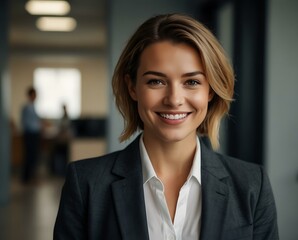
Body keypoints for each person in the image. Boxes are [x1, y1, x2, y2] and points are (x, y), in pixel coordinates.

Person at [54, 13, 278, 239]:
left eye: (192, 82)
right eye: (156, 81)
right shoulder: (86, 184)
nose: (174, 99)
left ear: (210, 90)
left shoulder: (251, 185)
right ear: (132, 87)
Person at [21, 86, 42, 184]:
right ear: (30, 95)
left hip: (34, 134)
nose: (35, 97)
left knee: (33, 157)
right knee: (29, 156)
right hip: (30, 134)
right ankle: (27, 178)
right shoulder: (27, 108)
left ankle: (30, 178)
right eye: (33, 95)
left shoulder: (33, 107)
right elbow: (27, 123)